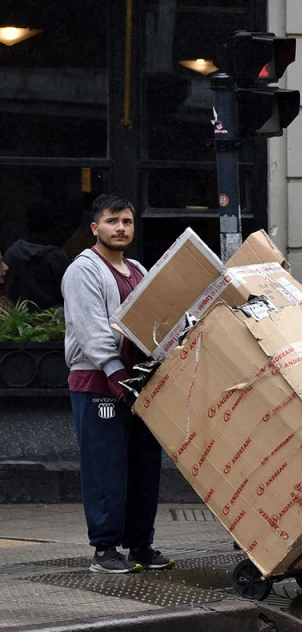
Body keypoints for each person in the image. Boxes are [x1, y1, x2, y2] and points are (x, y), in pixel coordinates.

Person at [61, 194, 173, 574]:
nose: (120, 228)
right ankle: (104, 551)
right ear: (96, 228)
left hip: (139, 382)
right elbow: (90, 329)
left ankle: (141, 544)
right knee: (105, 464)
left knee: (145, 464)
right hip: (98, 383)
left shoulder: (138, 269)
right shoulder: (84, 270)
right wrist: (113, 372)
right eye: (112, 221)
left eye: (126, 221)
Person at [5, 201, 70, 310]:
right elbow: (69, 295)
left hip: (17, 321)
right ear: (53, 225)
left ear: (27, 224)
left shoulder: (12, 253)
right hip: (53, 323)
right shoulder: (57, 258)